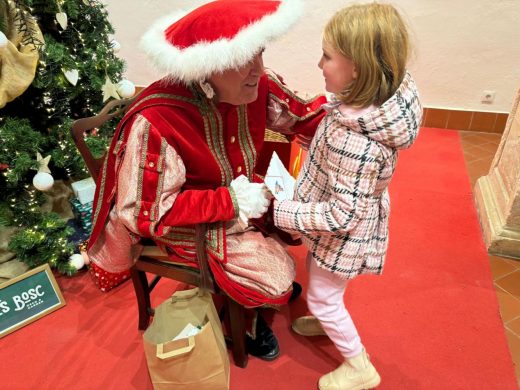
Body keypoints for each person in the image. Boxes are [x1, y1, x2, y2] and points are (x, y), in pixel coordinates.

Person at [85, 0, 325, 361]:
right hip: (187, 221)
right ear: (206, 67)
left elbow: (302, 117)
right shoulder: (159, 121)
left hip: (242, 192)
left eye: (258, 52)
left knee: (306, 220)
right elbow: (144, 215)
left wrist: (363, 120)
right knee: (274, 274)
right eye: (243, 60)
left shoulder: (256, 84)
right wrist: (228, 202)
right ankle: (244, 319)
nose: (258, 70)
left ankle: (249, 283)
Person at [272, 2, 422, 389]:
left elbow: (341, 216)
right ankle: (326, 315)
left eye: (327, 56)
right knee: (323, 282)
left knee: (323, 294)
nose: (320, 63)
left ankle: (359, 367)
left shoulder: (356, 141)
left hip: (343, 234)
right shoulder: (364, 104)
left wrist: (284, 212)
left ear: (356, 67)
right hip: (344, 225)